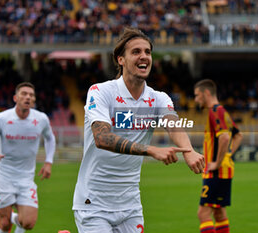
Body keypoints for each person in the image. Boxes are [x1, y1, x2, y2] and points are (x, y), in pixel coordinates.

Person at [72, 27, 205, 233]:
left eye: (147, 52)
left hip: (130, 204)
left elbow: (173, 126)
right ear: (120, 60)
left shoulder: (158, 98)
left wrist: (188, 151)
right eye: (136, 52)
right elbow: (102, 138)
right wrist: (151, 150)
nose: (144, 56)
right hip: (93, 201)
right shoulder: (100, 92)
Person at [0, 82, 56, 233]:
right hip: (3, 174)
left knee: (28, 223)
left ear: (34, 100)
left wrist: (48, 162)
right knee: (4, 224)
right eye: (24, 94)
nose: (28, 97)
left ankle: (11, 216)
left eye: (31, 95)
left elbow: (50, 138)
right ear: (15, 98)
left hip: (26, 177)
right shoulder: (2, 118)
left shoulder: (41, 119)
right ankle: (6, 216)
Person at [194, 79, 243, 233]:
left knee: (203, 213)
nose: (195, 100)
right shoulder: (222, 112)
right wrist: (228, 155)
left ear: (206, 93)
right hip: (225, 170)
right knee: (219, 212)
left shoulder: (215, 111)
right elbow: (238, 135)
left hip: (216, 171)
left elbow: (225, 137)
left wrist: (216, 162)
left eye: (197, 95)